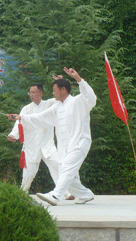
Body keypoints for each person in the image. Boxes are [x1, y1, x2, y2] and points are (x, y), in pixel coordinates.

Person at [9, 67, 96, 206]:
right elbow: (40, 118)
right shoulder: (56, 107)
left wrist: (79, 79)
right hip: (64, 147)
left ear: (63, 90)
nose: (53, 92)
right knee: (68, 174)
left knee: (67, 168)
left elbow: (91, 98)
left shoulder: (78, 101)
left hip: (80, 143)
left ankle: (56, 195)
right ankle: (86, 194)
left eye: (55, 90)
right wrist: (21, 117)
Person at [8, 83, 59, 192]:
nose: (31, 95)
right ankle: (22, 193)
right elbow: (18, 124)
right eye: (30, 92)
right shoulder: (26, 109)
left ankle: (65, 193)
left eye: (34, 92)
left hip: (47, 144)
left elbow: (61, 99)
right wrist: (13, 135)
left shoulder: (49, 104)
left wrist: (61, 82)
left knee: (57, 166)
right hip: (31, 146)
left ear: (41, 93)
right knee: (28, 174)